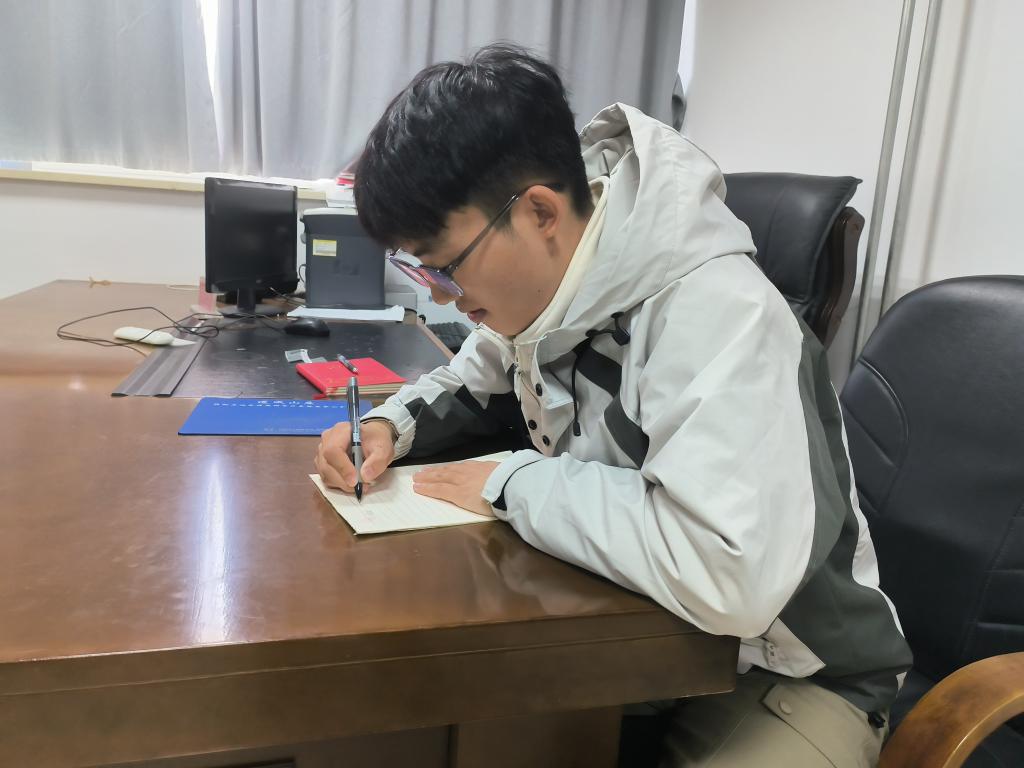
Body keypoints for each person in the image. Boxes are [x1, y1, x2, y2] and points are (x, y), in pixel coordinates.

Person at [315, 43, 912, 767]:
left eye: (445, 267)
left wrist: (513, 482)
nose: (445, 295)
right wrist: (390, 423)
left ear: (539, 211)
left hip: (791, 667)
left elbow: (729, 573)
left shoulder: (718, 312)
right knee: (419, 710)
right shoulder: (563, 283)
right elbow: (480, 369)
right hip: (646, 624)